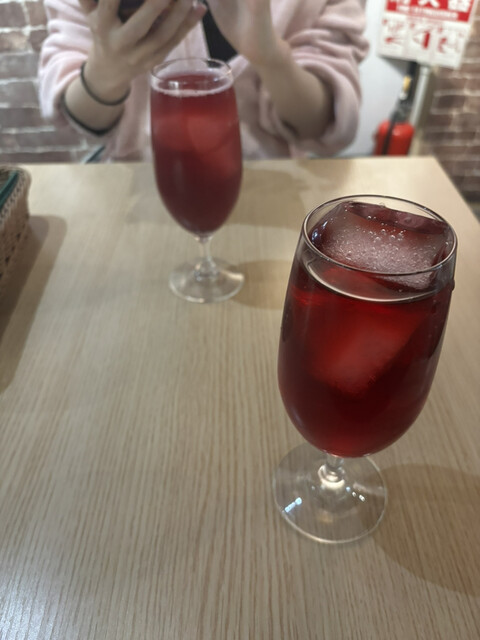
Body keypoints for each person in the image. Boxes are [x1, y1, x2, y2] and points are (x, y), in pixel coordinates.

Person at [38, 0, 369, 161]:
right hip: (139, 181)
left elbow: (323, 123)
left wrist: (272, 57)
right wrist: (106, 71)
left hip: (271, 186)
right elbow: (77, 115)